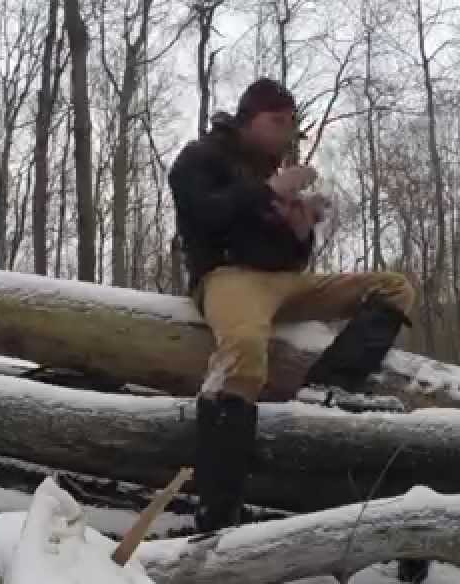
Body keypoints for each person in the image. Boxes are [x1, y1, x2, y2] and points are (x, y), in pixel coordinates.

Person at [168, 77, 417, 534]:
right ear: (247, 120)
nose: (285, 131)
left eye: (290, 123)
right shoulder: (202, 156)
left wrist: (299, 229)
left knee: (393, 287)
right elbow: (201, 212)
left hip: (286, 282)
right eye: (275, 121)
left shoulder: (274, 171)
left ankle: (327, 386)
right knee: (243, 348)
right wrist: (268, 192)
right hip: (228, 277)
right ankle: (218, 514)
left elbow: (292, 255)